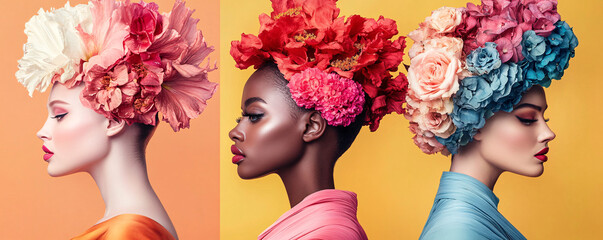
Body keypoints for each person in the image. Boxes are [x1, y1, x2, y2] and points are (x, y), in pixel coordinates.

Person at [16, 0, 217, 239]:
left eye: (60, 115)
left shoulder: (129, 232)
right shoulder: (129, 226)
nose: (42, 131)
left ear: (114, 120)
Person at [228, 0, 408, 239]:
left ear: (312, 126)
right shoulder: (322, 229)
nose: (235, 132)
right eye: (242, 117)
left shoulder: (325, 235)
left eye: (254, 116)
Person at [402, 1, 578, 239]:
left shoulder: (470, 220)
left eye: (543, 118)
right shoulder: (458, 230)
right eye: (527, 118)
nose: (548, 133)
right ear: (473, 120)